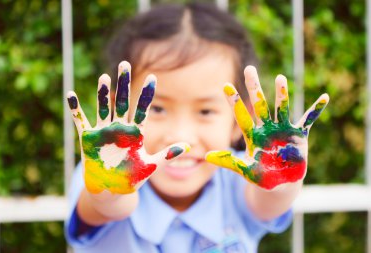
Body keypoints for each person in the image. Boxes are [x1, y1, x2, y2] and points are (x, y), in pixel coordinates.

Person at [65, 3, 329, 253]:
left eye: (205, 111)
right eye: (156, 109)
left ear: (240, 119)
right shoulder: (101, 171)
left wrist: (281, 175)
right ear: (117, 109)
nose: (181, 137)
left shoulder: (240, 178)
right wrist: (112, 186)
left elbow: (270, 200)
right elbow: (108, 204)